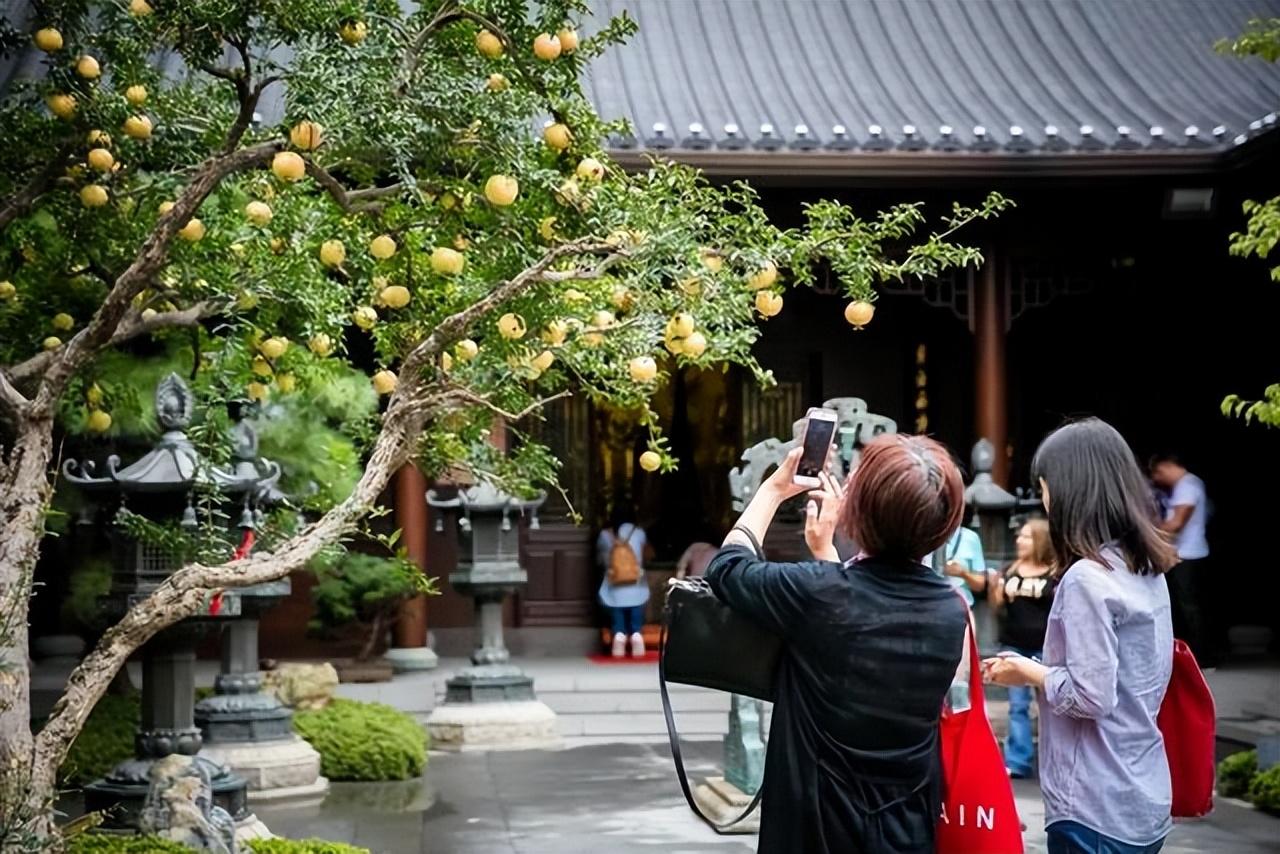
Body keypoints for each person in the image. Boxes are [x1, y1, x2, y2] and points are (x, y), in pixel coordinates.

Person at [704, 435, 970, 853]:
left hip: (816, 827)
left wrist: (774, 488)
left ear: (858, 508)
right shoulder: (951, 610)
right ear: (945, 521)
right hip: (904, 828)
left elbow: (727, 567)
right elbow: (861, 623)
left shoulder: (821, 594)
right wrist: (825, 551)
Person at [984, 418, 1177, 854]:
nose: (1044, 497)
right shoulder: (1145, 569)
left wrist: (1030, 672)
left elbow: (1092, 697)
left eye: (1045, 485)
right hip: (1143, 793)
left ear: (1072, 489)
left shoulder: (1087, 579)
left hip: (1092, 803)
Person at [989, 518, 1057, 778]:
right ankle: (1018, 761)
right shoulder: (1009, 569)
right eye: (1020, 536)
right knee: (1017, 706)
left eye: (1027, 537)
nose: (1019, 540)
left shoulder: (1053, 573)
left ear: (1040, 541)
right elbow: (998, 608)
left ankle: (1053, 762)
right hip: (1014, 644)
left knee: (1051, 706)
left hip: (1044, 647)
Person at [1149, 453, 1211, 662]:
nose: (1157, 479)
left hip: (1188, 555)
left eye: (1158, 472)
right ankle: (1194, 656)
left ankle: (1201, 657)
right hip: (1183, 554)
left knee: (1189, 608)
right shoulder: (1187, 485)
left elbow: (1176, 524)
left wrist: (1147, 533)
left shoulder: (1188, 485)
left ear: (1167, 466)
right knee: (1184, 606)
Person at [596, 504, 654, 658]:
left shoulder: (605, 535)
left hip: (614, 583)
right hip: (636, 583)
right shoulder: (639, 533)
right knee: (635, 616)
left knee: (618, 617)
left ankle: (618, 642)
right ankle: (637, 638)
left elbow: (601, 560)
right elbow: (646, 556)